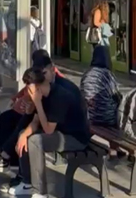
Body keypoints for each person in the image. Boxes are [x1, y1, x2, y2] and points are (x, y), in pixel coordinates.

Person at [8, 68, 91, 197]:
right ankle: (27, 183)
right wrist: (23, 135)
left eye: (30, 90)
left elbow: (48, 130)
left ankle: (40, 191)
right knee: (25, 135)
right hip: (61, 132)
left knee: (35, 141)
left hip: (76, 138)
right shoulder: (43, 95)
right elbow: (35, 122)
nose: (28, 93)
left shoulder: (59, 97)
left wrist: (37, 103)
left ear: (38, 88)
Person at [80, 44, 120, 127]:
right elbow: (115, 96)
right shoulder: (107, 75)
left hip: (89, 116)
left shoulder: (86, 74)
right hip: (106, 118)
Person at [88, 1, 113, 70]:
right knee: (99, 52)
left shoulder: (101, 12)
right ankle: (95, 68)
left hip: (101, 36)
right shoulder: (98, 11)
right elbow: (96, 22)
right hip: (98, 36)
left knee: (101, 52)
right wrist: (104, 25)